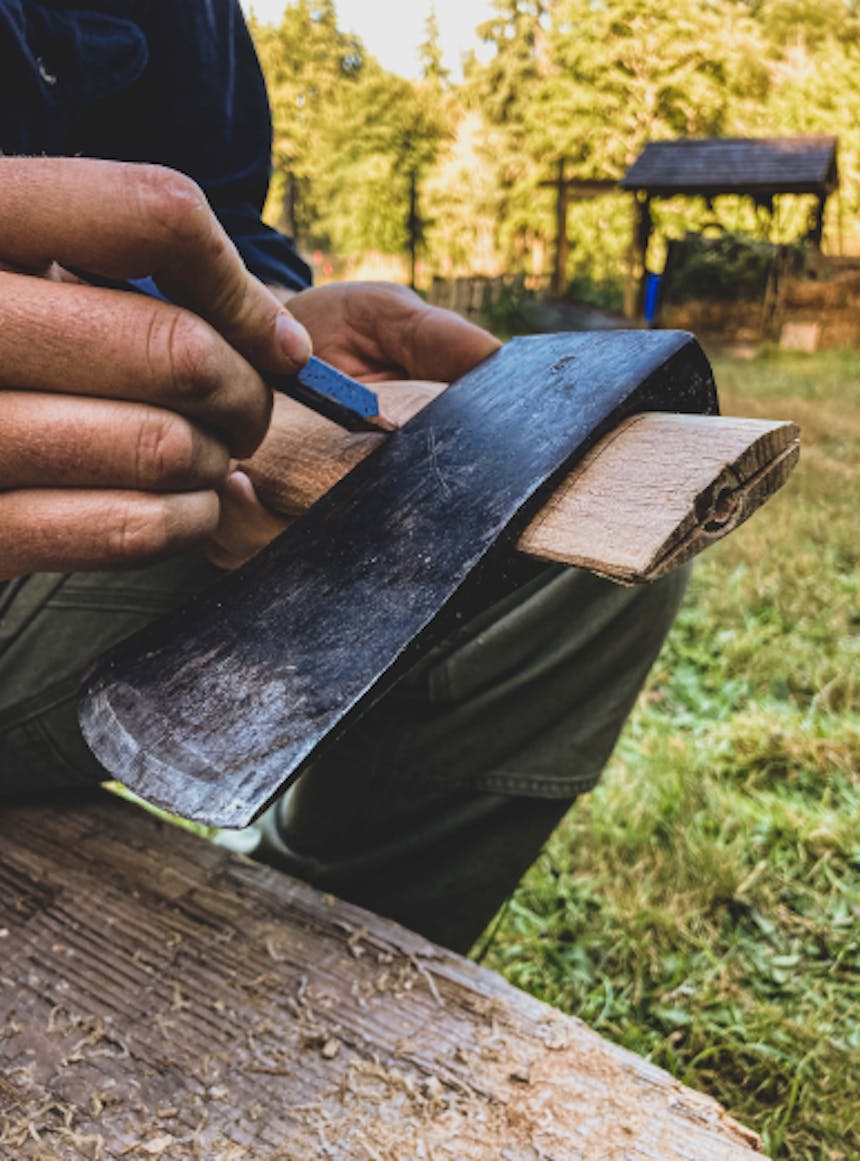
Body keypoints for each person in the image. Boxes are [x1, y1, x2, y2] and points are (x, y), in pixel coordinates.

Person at [0, 0, 688, 953]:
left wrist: (272, 323)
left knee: (577, 509)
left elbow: (225, 213)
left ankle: (291, 973)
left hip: (98, 508)